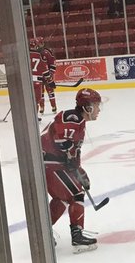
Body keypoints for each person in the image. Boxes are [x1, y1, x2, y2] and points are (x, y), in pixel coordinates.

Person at [40, 87, 101, 251]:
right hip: (48, 163)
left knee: (62, 198)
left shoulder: (79, 123)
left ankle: (42, 233)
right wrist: (70, 158)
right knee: (76, 194)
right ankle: (77, 235)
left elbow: (71, 154)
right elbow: (61, 140)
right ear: (87, 107)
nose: (98, 109)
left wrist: (79, 172)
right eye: (96, 105)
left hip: (49, 163)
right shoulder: (72, 117)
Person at [30, 38, 58, 116]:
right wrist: (50, 79)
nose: (41, 45)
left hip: (40, 76)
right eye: (40, 43)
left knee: (49, 91)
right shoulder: (37, 54)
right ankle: (41, 108)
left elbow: (52, 64)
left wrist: (51, 73)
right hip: (41, 77)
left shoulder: (46, 52)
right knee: (40, 94)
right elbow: (43, 67)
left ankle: (53, 106)